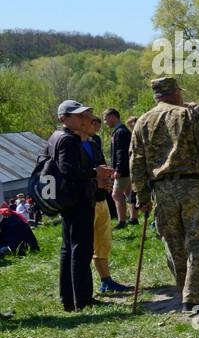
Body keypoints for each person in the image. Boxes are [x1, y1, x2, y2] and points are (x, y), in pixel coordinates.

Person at [130, 77, 199, 315]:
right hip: (193, 186)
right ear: (175, 93)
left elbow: (136, 162)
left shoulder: (142, 122)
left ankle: (185, 292)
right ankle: (194, 298)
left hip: (162, 190)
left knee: (174, 244)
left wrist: (142, 196)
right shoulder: (188, 115)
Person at [47, 100, 110, 311]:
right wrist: (95, 174)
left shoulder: (55, 137)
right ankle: (82, 299)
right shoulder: (69, 140)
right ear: (63, 118)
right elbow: (68, 170)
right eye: (77, 116)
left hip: (67, 200)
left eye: (83, 115)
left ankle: (69, 298)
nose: (83, 119)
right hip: (78, 199)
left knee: (68, 250)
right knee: (81, 249)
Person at [84, 115, 131, 294]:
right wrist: (95, 176)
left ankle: (106, 280)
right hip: (85, 201)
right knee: (86, 245)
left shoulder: (94, 142)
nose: (91, 123)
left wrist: (107, 175)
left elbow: (100, 163)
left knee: (103, 242)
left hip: (100, 197)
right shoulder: (69, 144)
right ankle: (82, 289)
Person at [104, 109, 136, 228]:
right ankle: (133, 218)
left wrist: (118, 169)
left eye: (106, 118)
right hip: (127, 169)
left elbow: (121, 152)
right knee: (128, 193)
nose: (105, 122)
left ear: (113, 117)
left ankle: (122, 221)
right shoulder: (121, 131)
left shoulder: (120, 132)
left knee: (116, 195)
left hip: (123, 170)